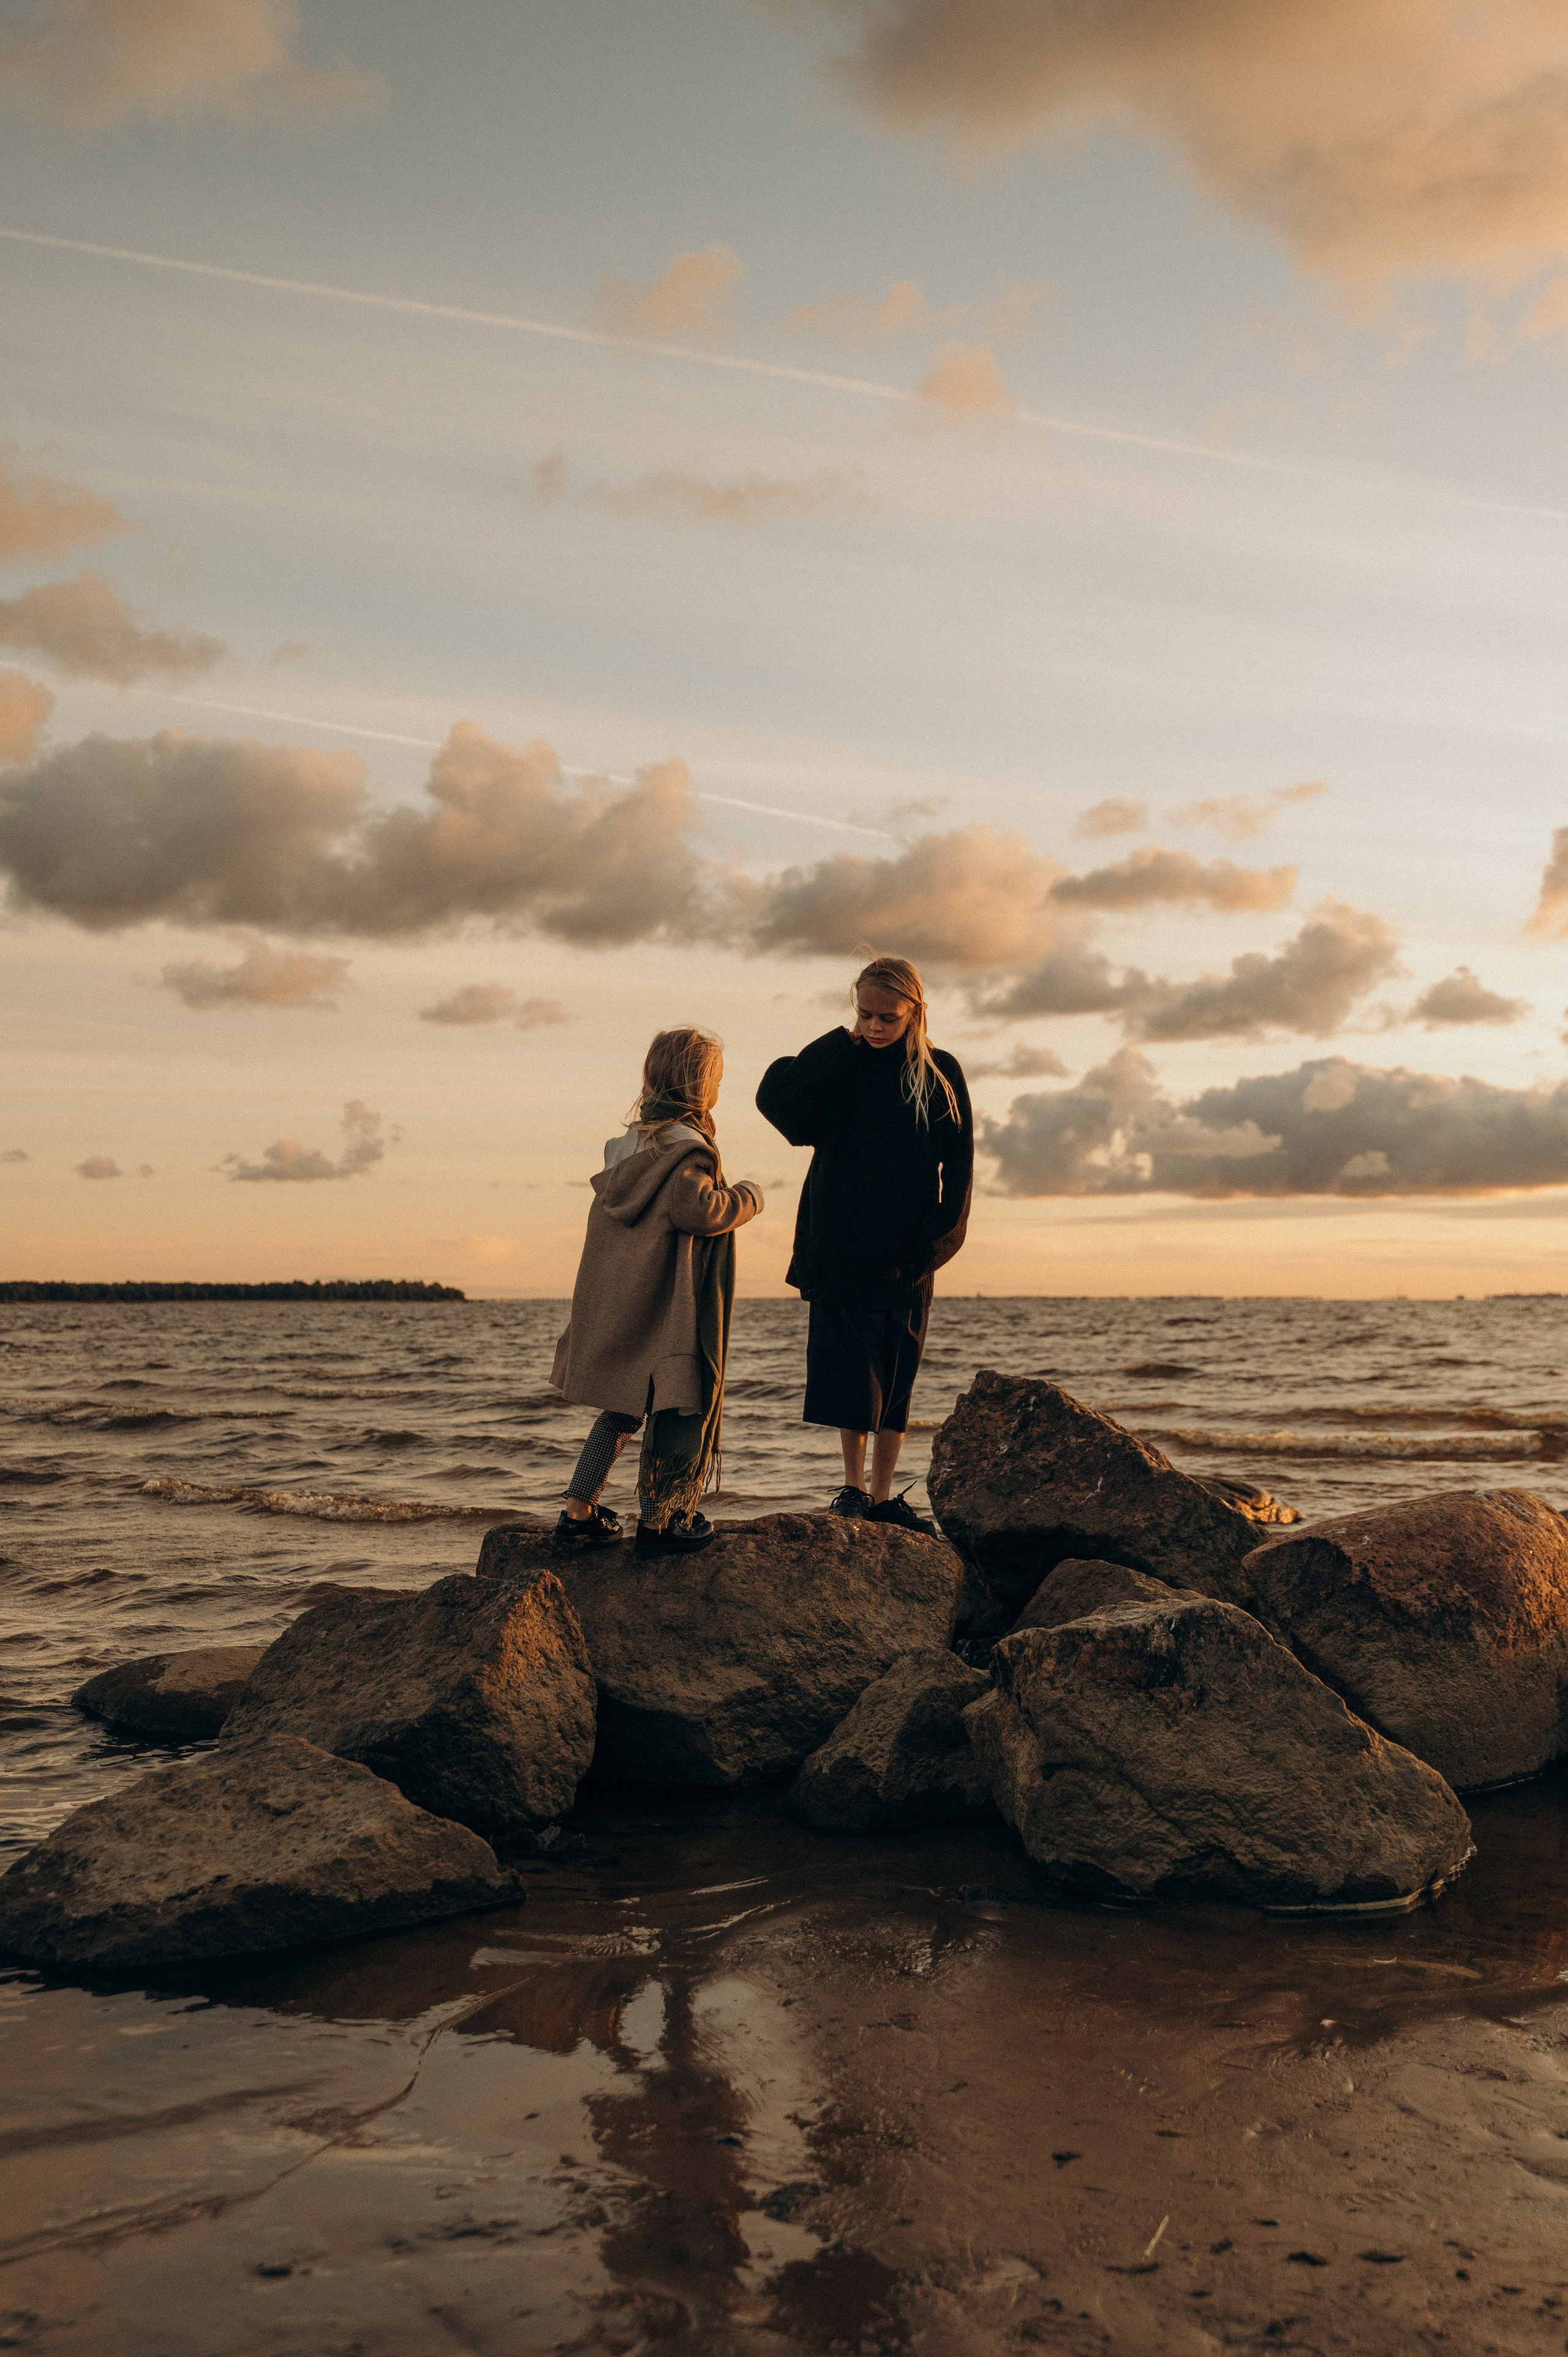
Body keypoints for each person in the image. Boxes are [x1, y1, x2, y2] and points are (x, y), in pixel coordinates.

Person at [756, 954, 972, 1529]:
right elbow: (777, 1100)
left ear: (916, 1013)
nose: (875, 1027)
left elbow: (962, 1169)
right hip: (837, 1246)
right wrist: (836, 1045)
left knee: (897, 1373)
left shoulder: (941, 1073)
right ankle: (852, 1490)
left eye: (888, 1018)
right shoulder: (842, 1066)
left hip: (906, 1253)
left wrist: (936, 1247)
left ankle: (882, 1497)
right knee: (847, 1374)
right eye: (865, 1015)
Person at [550, 1026, 763, 1553]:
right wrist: (750, 1196)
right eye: (716, 1081)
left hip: (623, 1299)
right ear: (700, 1085)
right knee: (676, 1407)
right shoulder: (687, 1150)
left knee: (622, 1412)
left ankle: (578, 1510)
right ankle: (661, 1519)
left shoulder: (624, 1147)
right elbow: (700, 1211)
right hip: (669, 1304)